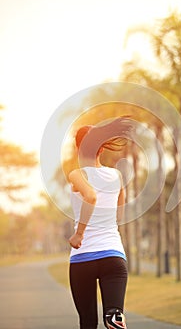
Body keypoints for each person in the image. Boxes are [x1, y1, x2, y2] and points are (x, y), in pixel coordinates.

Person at [68, 116, 134, 329]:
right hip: (113, 256)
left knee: (87, 322)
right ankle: (115, 319)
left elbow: (91, 196)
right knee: (114, 318)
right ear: (101, 149)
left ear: (78, 149)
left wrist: (79, 233)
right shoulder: (116, 176)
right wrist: (108, 226)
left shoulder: (77, 174)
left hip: (82, 258)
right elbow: (119, 212)